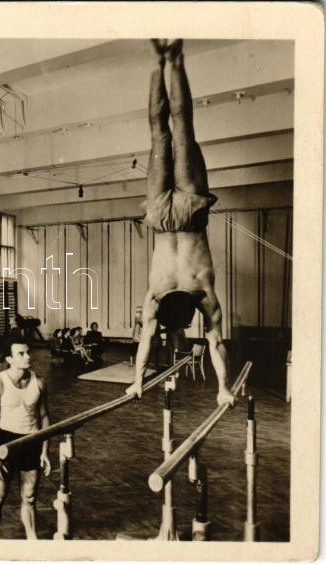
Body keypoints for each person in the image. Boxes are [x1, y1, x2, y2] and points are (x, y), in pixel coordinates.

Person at [126, 39, 234, 407]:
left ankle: (169, 60)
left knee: (177, 129)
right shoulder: (159, 296)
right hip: (162, 217)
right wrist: (223, 388)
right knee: (167, 131)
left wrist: (138, 381)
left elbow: (215, 342)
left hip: (182, 215)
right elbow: (216, 343)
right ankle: (162, 62)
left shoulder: (200, 294)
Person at [0, 340, 51, 539]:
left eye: (28, 352)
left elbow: (45, 417)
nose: (28, 357)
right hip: (6, 443)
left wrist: (45, 450)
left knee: (29, 498)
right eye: (21, 354)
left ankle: (32, 540)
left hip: (32, 441)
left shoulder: (39, 382)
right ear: (9, 359)